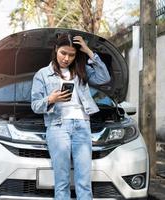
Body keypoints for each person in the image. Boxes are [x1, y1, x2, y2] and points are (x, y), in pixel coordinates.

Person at [31, 33, 111, 200]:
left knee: (84, 182)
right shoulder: (43, 74)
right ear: (56, 50)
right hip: (58, 126)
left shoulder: (82, 70)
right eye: (63, 53)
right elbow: (35, 105)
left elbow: (104, 77)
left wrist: (88, 51)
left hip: (82, 125)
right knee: (62, 181)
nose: (66, 58)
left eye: (71, 55)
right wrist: (51, 99)